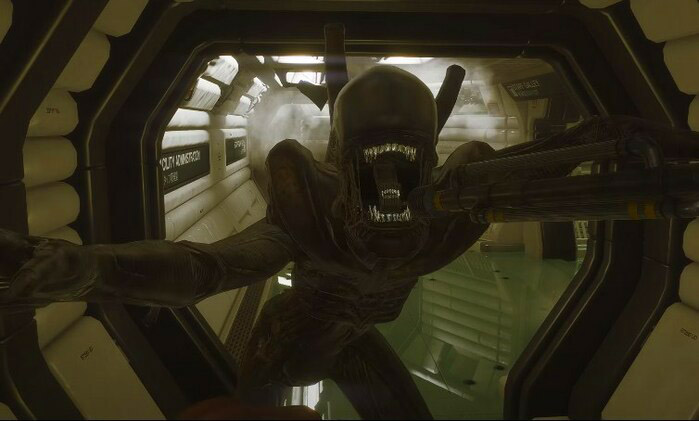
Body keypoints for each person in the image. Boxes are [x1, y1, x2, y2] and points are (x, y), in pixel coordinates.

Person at [2, 64, 699, 419]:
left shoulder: (455, 209)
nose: (390, 190)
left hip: (354, 336)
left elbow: (572, 153)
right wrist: (82, 268)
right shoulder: (306, 218)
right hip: (285, 344)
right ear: (339, 161)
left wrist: (640, 145)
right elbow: (208, 267)